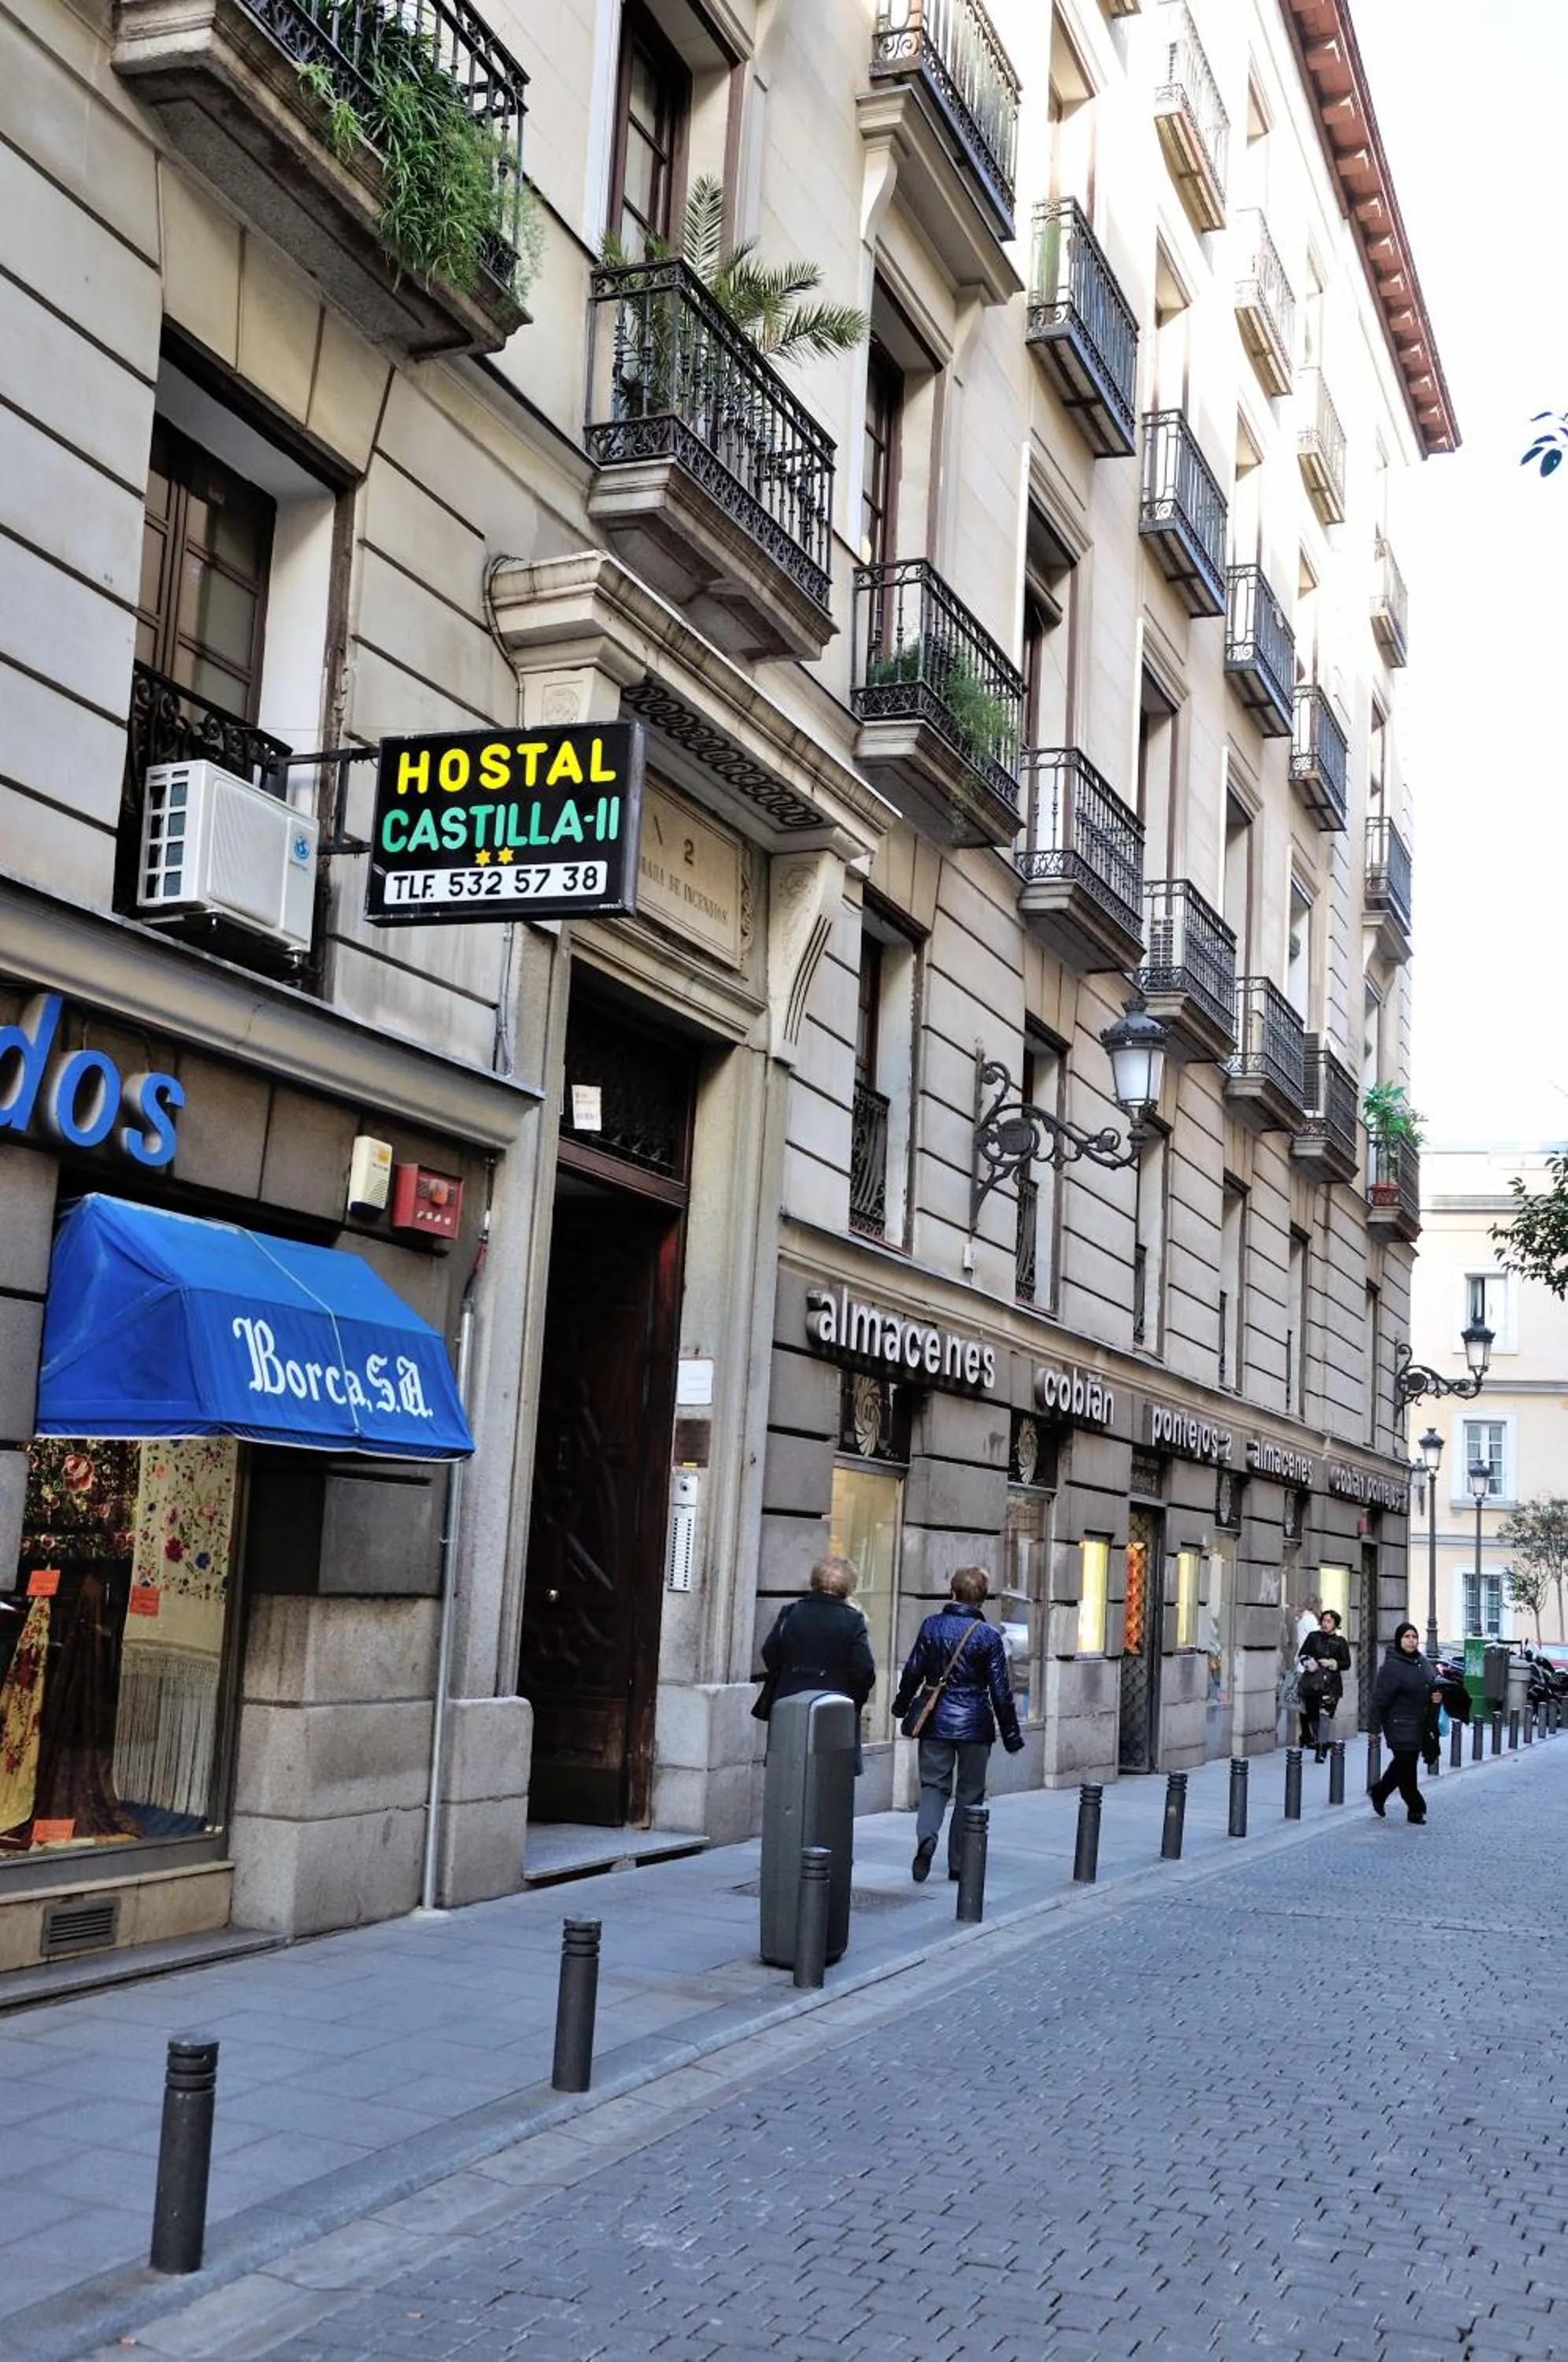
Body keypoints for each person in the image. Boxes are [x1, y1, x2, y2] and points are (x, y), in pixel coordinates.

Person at [891, 1567, 1023, 1884]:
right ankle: (959, 1864)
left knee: (934, 1786)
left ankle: (927, 1838)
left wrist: (902, 1705)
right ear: (983, 1599)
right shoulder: (989, 1636)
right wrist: (1011, 1736)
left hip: (936, 1721)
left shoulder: (931, 1626)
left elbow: (913, 1671)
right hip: (975, 1724)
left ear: (953, 1592)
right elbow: (1001, 1692)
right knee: (970, 1793)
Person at [756, 1557, 875, 1766]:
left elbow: (770, 1653)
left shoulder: (790, 1612)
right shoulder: (853, 1620)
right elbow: (863, 1670)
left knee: (786, 1769)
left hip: (788, 1704)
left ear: (814, 1581)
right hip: (835, 1707)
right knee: (831, 1773)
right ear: (848, 1586)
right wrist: (854, 1699)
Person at [1369, 1621, 1443, 1823]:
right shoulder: (1391, 1667)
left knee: (1401, 1767)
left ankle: (1379, 1793)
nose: (1411, 1641)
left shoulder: (1423, 1663)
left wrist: (1437, 1698)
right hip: (1398, 1724)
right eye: (1407, 1637)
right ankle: (1415, 1808)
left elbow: (1433, 1687)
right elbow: (1379, 1699)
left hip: (1419, 1724)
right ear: (1399, 1640)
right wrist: (1374, 1727)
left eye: (1414, 1637)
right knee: (1407, 1768)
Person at [1297, 1608, 1351, 1763]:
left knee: (1325, 1716)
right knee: (1313, 1716)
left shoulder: (1341, 1642)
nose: (1325, 1624)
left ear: (1336, 1624)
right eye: (1324, 1620)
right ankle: (1320, 1741)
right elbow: (1302, 1654)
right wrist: (1309, 1663)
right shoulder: (1313, 1637)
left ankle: (1321, 1750)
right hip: (1313, 1683)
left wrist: (1333, 1663)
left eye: (1329, 1621)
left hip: (1331, 1685)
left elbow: (1346, 1663)